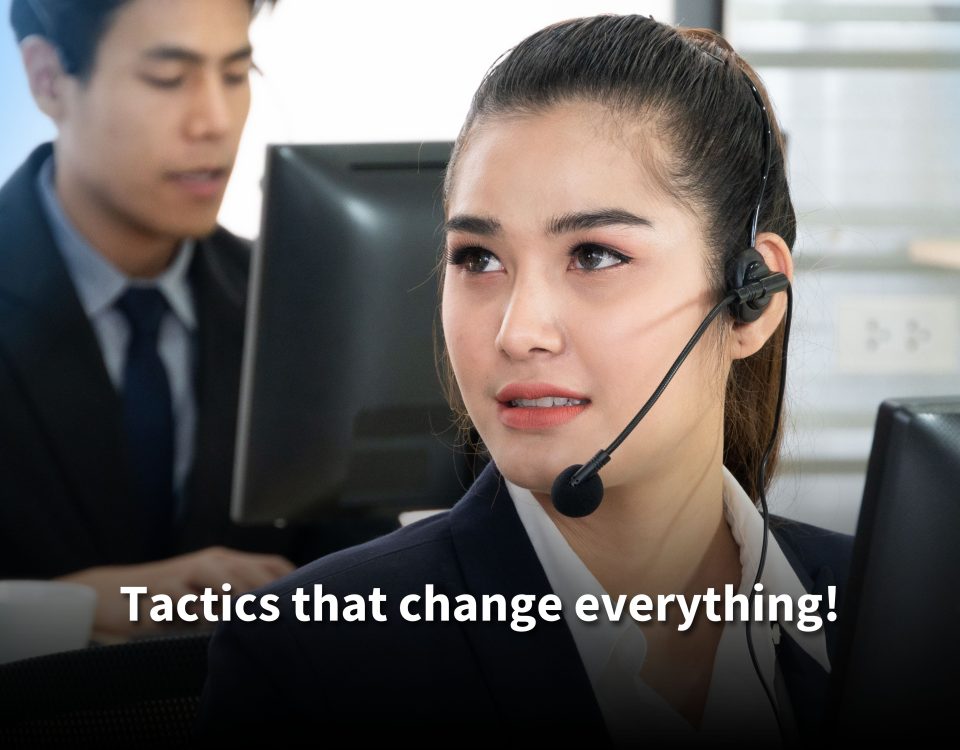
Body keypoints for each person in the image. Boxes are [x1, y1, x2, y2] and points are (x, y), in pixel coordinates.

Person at [200, 15, 853, 746]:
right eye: (478, 259)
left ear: (753, 299)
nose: (516, 333)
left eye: (595, 255)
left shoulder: (904, 611)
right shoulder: (310, 661)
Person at [0, 0, 322, 639]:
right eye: (168, 80)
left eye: (236, 75)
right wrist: (70, 609)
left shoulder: (296, 303)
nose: (215, 121)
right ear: (46, 80)